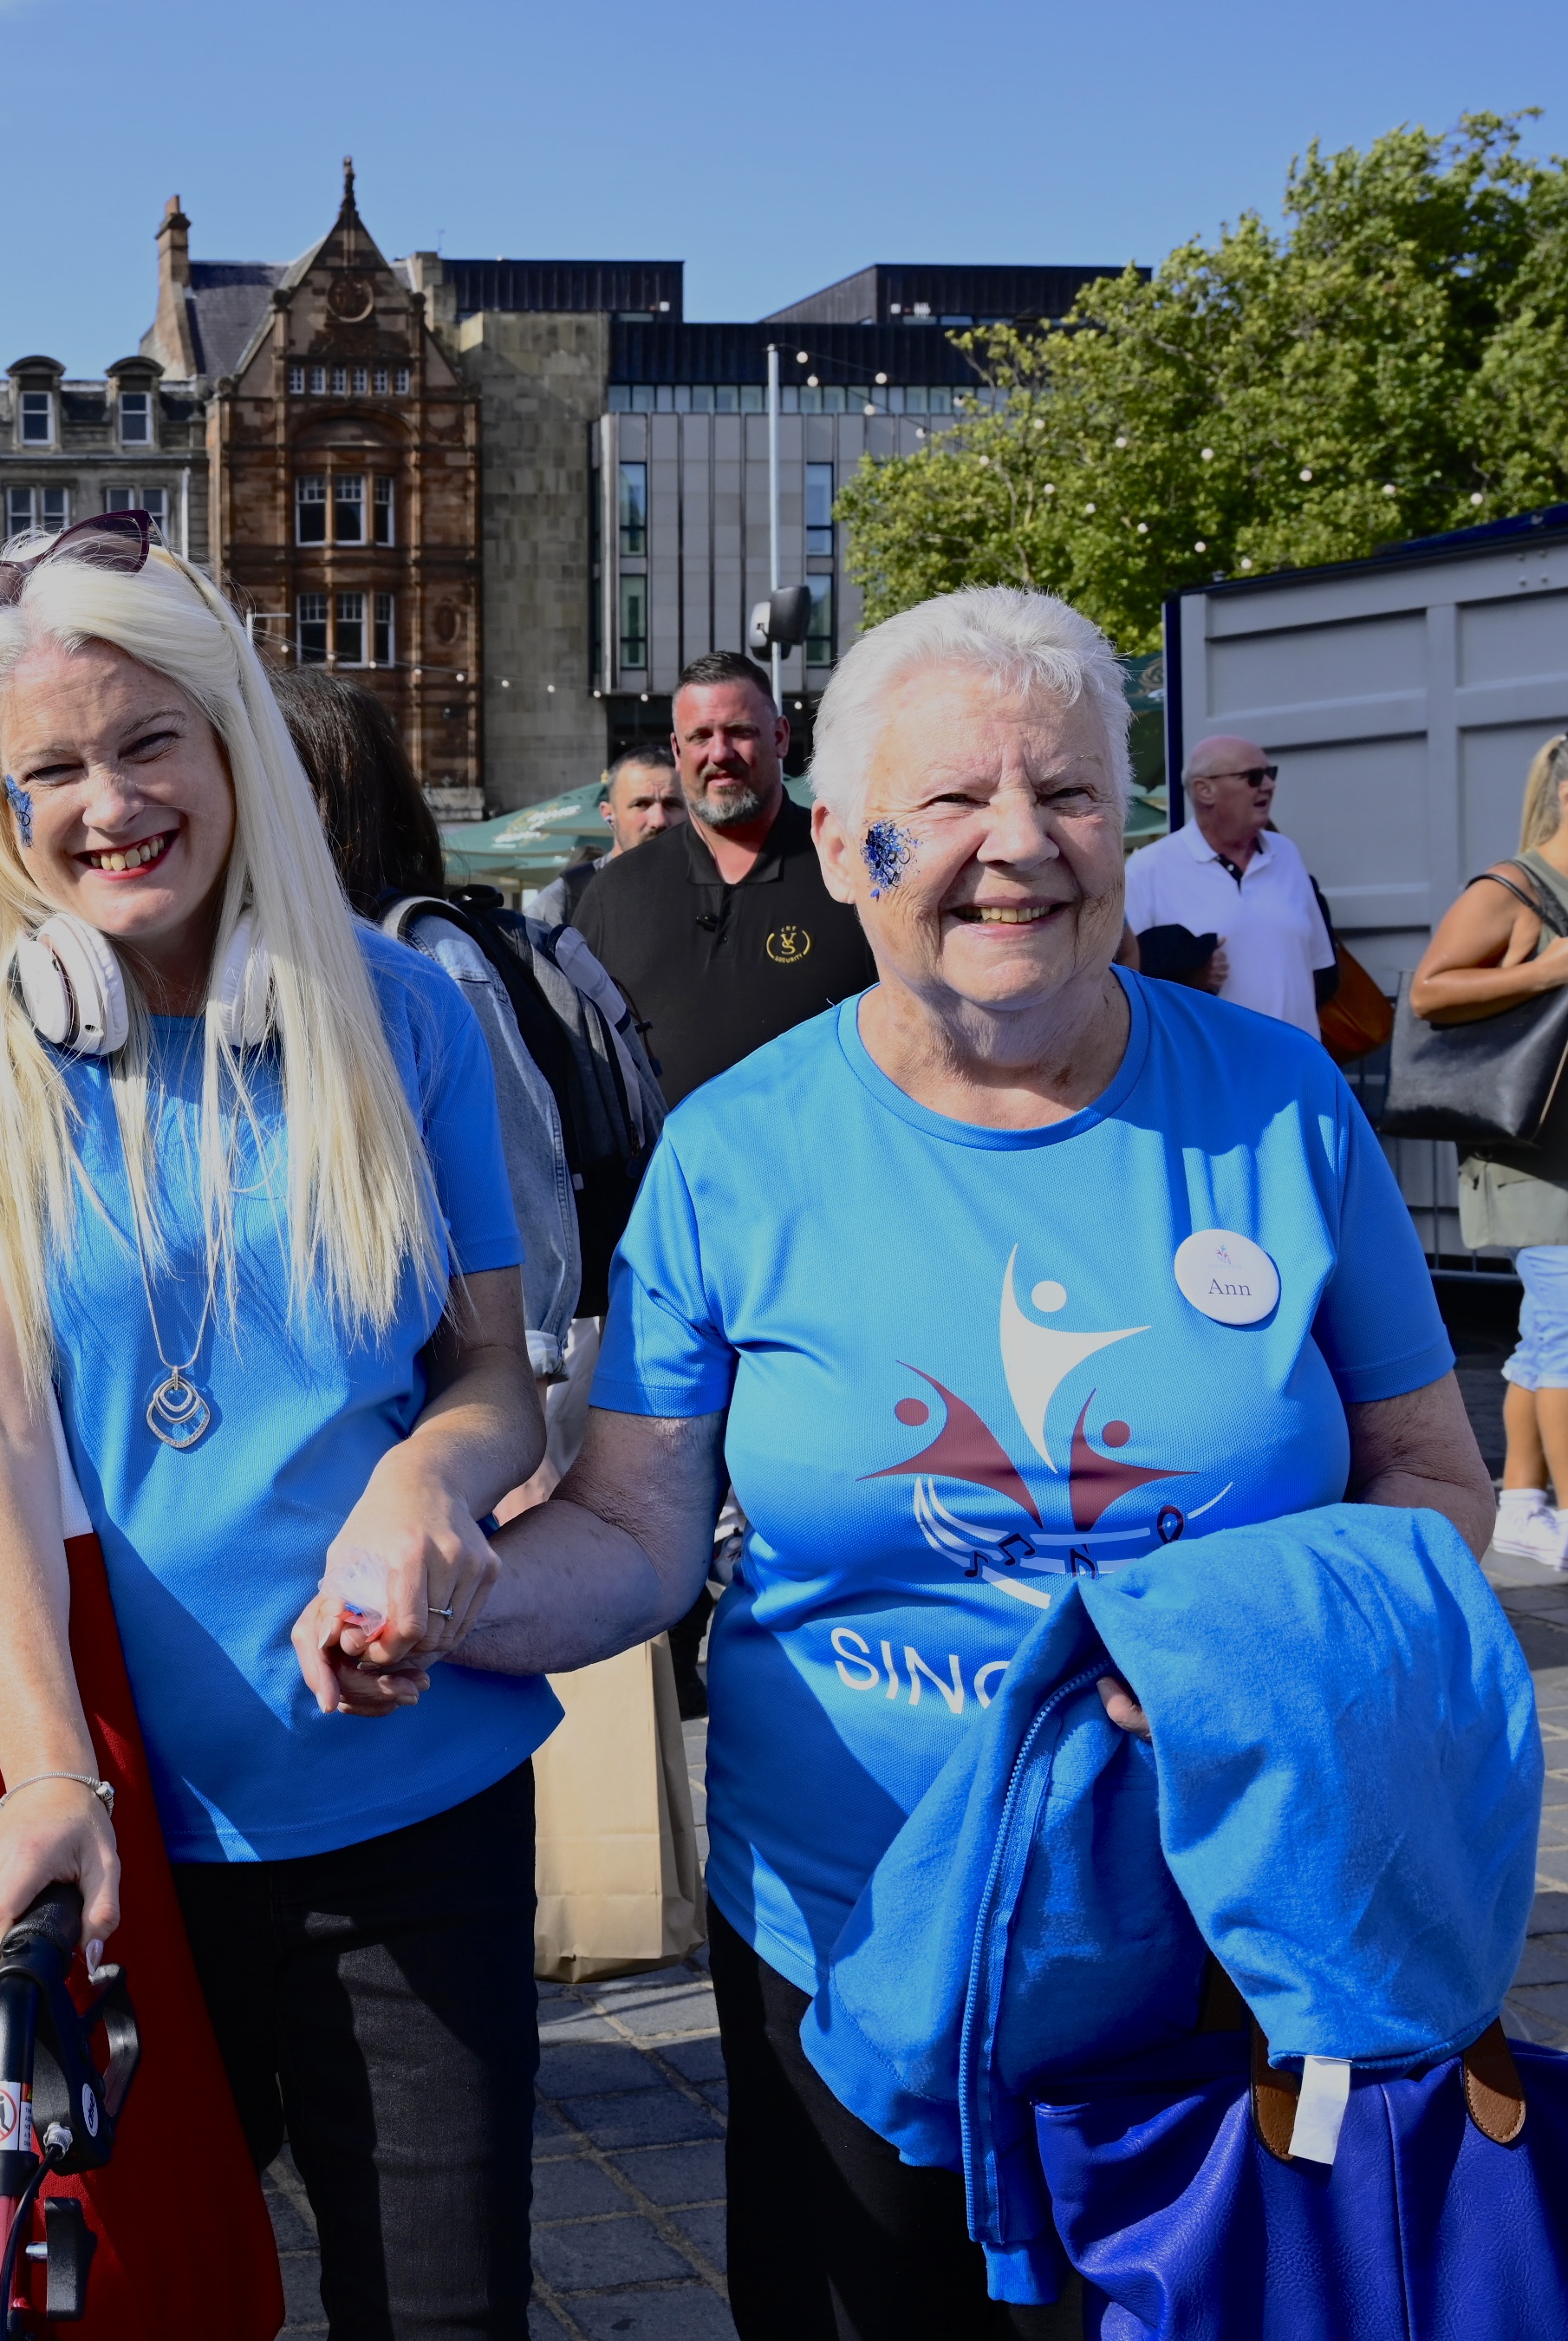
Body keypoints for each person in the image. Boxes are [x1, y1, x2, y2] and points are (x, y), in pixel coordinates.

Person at [481, 587, 1489, 2338]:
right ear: (841, 845)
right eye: (947, 800)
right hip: (849, 1939)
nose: (1015, 845)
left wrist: (1255, 1660)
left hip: (1227, 1936)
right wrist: (446, 1599)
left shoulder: (1277, 1107)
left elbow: (1432, 1481)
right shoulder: (731, 1154)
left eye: (1069, 794)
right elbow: (636, 1534)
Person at [0, 508, 559, 2338]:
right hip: (115, 1843)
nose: (109, 804)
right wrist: (52, 1783)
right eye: (51, 770)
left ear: (232, 740)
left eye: (147, 742)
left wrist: (425, 1483)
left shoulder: (401, 1015)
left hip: (414, 1811)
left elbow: (489, 1374)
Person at [271, 663, 576, 1382]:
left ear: (324, 796)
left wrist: (522, 1357)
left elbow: (515, 1164)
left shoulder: (423, 954)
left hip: (436, 1383)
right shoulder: (252, 959)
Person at [573, 650, 875, 1109]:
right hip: (660, 1157)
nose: (719, 753)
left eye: (740, 732)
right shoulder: (615, 893)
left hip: (828, 1149)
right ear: (677, 751)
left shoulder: (850, 870)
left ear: (780, 737)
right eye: (700, 736)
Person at [1411, 731, 1568, 1568]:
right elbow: (1430, 990)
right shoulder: (1512, 888)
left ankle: (1522, 1504)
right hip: (1530, 1157)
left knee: (1546, 1340)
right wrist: (1544, 971)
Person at [1122, 735, 1336, 1034]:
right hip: (1209, 1061)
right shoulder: (1148, 868)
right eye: (1253, 776)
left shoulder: (1286, 853)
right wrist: (1189, 976)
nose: (1269, 785)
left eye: (1270, 773)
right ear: (1204, 790)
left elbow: (1319, 968)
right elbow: (1126, 981)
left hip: (1298, 1059)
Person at [528, 743, 680, 928]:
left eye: (672, 804)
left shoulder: (709, 892)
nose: (659, 820)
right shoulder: (564, 902)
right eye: (641, 804)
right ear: (609, 814)